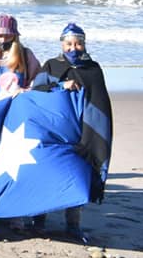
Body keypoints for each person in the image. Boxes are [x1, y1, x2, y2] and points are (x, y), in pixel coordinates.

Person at [29, 22, 114, 242]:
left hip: (82, 133)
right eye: (69, 43)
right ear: (62, 44)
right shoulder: (51, 65)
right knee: (47, 173)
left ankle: (73, 224)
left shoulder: (93, 69)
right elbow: (37, 91)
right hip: (54, 132)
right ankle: (39, 221)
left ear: (84, 45)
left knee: (78, 174)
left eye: (77, 44)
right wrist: (60, 85)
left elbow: (100, 104)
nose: (73, 48)